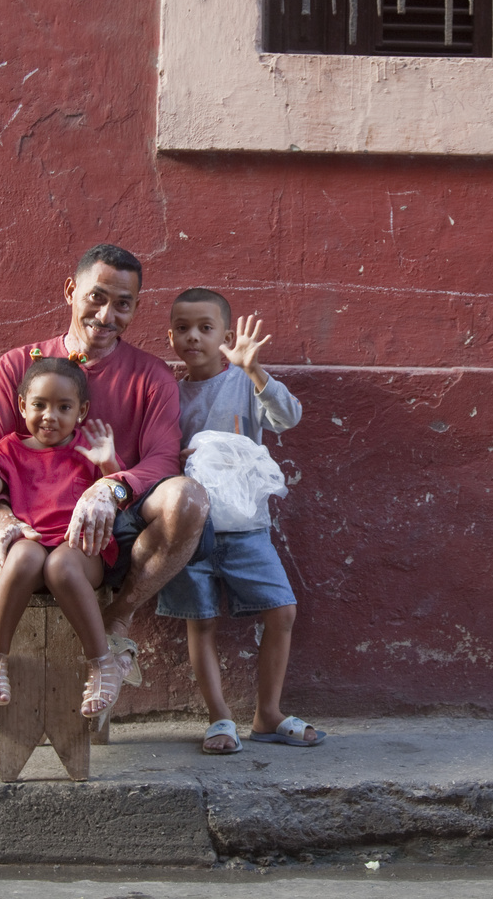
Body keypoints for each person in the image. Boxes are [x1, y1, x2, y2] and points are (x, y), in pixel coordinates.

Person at [0, 244, 209, 701]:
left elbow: (161, 461)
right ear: (71, 292)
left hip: (107, 536)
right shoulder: (18, 366)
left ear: (136, 308)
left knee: (188, 499)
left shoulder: (152, 377)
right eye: (96, 297)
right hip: (23, 529)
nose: (106, 314)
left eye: (123, 304)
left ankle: (117, 624)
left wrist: (109, 490)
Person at [157, 287, 324, 753]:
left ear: (226, 336)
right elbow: (153, 453)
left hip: (247, 529)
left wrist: (255, 370)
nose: (193, 338)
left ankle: (267, 714)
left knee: (282, 611)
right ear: (170, 335)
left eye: (205, 329)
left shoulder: (242, 384)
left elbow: (288, 417)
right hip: (191, 532)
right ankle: (219, 720)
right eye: (183, 329)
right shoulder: (167, 394)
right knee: (201, 621)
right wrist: (175, 458)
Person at [0, 357, 125, 718]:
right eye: (39, 405)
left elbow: (119, 500)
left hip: (79, 554)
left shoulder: (88, 448)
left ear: (81, 411)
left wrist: (108, 464)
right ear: (22, 405)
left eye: (63, 407)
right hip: (31, 545)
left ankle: (102, 664)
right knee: (24, 555)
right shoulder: (8, 449)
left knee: (61, 566)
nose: (49, 416)